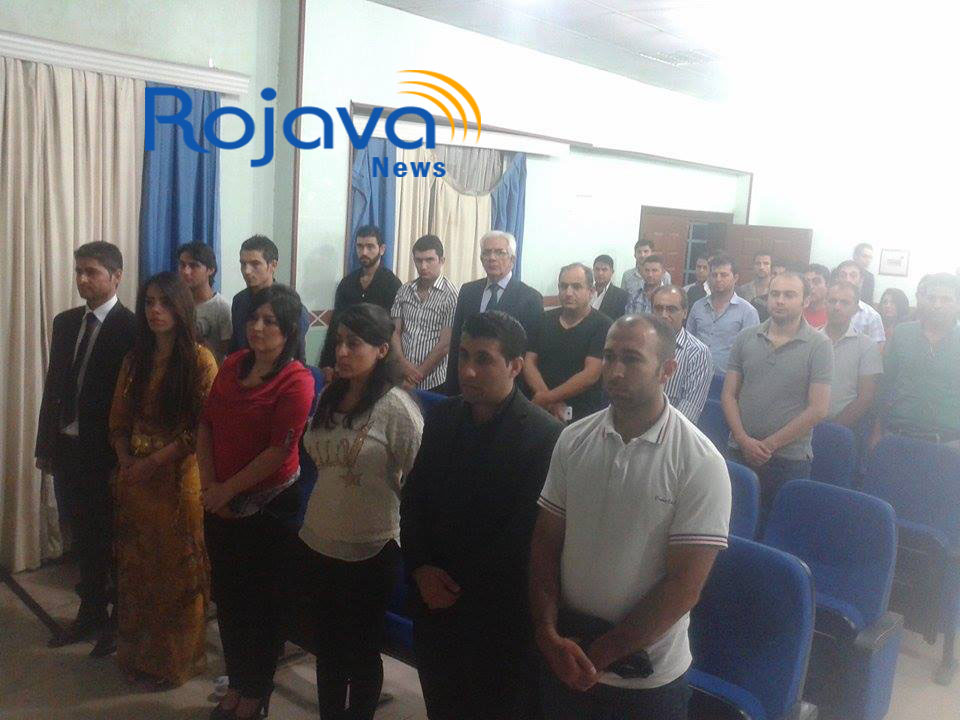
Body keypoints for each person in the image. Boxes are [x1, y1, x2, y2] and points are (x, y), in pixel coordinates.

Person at [530, 314, 731, 720]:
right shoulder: (573, 439)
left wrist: (597, 655)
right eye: (609, 357)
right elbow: (545, 544)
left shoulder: (700, 461)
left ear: (667, 370)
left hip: (645, 683)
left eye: (632, 359)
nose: (616, 371)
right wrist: (547, 633)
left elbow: (684, 586)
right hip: (566, 656)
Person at [401, 311, 563, 720]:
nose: (468, 371)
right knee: (441, 705)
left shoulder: (543, 436)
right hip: (432, 600)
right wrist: (421, 568)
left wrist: (455, 587)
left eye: (484, 359)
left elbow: (522, 533)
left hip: (495, 615)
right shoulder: (443, 416)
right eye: (463, 356)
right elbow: (414, 497)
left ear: (515, 366)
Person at [298, 303, 423, 720]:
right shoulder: (330, 396)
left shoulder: (396, 408)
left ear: (382, 350)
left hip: (371, 548)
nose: (342, 352)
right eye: (339, 342)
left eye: (354, 344)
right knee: (328, 649)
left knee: (362, 650)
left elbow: (419, 480)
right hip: (319, 539)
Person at [200, 284, 315, 720]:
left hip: (268, 507)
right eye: (253, 319)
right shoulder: (232, 364)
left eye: (270, 321)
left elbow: (278, 452)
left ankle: (256, 692)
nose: (258, 327)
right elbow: (206, 425)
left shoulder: (297, 379)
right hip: (219, 499)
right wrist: (210, 486)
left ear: (288, 330)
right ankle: (237, 682)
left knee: (261, 605)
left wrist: (227, 491)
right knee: (228, 600)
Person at [108, 272, 218, 686]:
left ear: (181, 308)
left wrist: (152, 463)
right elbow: (118, 420)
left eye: (165, 302)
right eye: (149, 302)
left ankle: (175, 663)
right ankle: (138, 656)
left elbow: (198, 429)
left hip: (176, 480)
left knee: (176, 573)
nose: (155, 310)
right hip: (134, 477)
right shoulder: (135, 359)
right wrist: (126, 460)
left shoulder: (200, 361)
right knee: (136, 569)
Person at [36, 242, 137, 656]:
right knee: (81, 537)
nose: (82, 279)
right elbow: (54, 387)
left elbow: (133, 400)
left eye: (91, 272)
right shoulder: (65, 323)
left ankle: (117, 621)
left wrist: (126, 457)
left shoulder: (132, 328)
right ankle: (90, 611)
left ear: (116, 276)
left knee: (111, 538)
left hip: (106, 452)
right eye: (78, 271)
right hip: (67, 446)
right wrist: (45, 444)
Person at [722, 272, 833, 511]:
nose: (780, 300)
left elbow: (818, 409)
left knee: (779, 524)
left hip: (788, 459)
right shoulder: (746, 337)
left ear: (806, 301)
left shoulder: (820, 345)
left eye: (789, 295)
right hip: (739, 451)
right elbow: (729, 395)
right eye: (775, 294)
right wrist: (743, 440)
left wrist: (768, 446)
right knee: (731, 522)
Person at [445, 230, 543, 395]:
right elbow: (456, 342)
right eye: (487, 252)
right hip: (468, 383)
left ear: (512, 259)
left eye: (499, 252)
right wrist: (452, 388)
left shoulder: (530, 298)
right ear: (481, 258)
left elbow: (529, 353)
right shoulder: (468, 291)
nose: (492, 257)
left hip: (507, 389)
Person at [871, 273, 960, 448]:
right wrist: (876, 430)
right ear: (922, 300)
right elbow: (885, 384)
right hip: (898, 434)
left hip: (949, 442)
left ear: (958, 304)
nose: (937, 305)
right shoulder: (902, 333)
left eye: (946, 299)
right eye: (931, 298)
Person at [524, 264, 612, 422]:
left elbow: (591, 374)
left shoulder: (603, 325)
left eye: (576, 287)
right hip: (541, 409)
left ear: (591, 291)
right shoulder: (543, 319)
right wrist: (549, 401)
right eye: (563, 286)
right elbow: (529, 362)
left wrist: (548, 398)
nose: (568, 293)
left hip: (584, 415)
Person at [320, 225, 402, 371]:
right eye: (360, 246)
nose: (364, 252)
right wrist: (327, 364)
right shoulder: (347, 283)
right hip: (346, 357)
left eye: (370, 247)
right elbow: (335, 325)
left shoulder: (392, 284)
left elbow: (393, 331)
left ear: (382, 249)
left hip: (378, 362)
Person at [390, 235, 459, 392]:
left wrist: (417, 376)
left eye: (429, 260)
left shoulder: (451, 295)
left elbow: (445, 344)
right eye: (419, 260)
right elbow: (395, 331)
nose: (423, 266)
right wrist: (402, 364)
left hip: (434, 380)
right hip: (402, 374)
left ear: (441, 260)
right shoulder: (404, 290)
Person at [229, 234, 310, 361]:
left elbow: (296, 354)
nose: (247, 271)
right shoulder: (239, 301)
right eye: (243, 264)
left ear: (273, 265)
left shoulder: (290, 305)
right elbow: (236, 347)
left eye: (255, 264)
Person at [821, 280, 882, 429]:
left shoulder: (867, 346)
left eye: (845, 303)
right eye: (832, 301)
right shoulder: (811, 340)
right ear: (825, 304)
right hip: (803, 425)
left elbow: (866, 397)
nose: (837, 307)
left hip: (845, 427)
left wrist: (834, 429)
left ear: (855, 309)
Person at [686, 255, 760, 372]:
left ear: (735, 278)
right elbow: (688, 340)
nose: (718, 279)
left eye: (724, 275)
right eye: (714, 275)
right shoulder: (698, 307)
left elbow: (751, 352)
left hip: (728, 377)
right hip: (695, 373)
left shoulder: (748, 312)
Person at [652, 285, 713, 423]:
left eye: (671, 309)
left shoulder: (698, 353)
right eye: (658, 308)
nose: (663, 315)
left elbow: (688, 413)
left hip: (672, 431)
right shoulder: (640, 344)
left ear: (685, 313)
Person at [177, 241, 232, 363]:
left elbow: (226, 353)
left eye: (194, 266)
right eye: (182, 265)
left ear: (210, 270)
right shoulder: (175, 304)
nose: (186, 271)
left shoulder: (222, 307)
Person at [834, 260, 885, 346]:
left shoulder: (872, 316)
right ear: (837, 279)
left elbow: (878, 348)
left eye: (853, 276)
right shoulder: (828, 307)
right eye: (843, 275)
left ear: (861, 280)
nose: (847, 280)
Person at [592, 254, 629, 320]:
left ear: (612, 272)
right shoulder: (586, 291)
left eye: (604, 270)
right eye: (597, 269)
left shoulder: (621, 296)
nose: (600, 273)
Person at [802, 263, 831, 329]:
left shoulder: (833, 313)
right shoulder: (796, 310)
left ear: (827, 286)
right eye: (806, 282)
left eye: (816, 282)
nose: (810, 286)